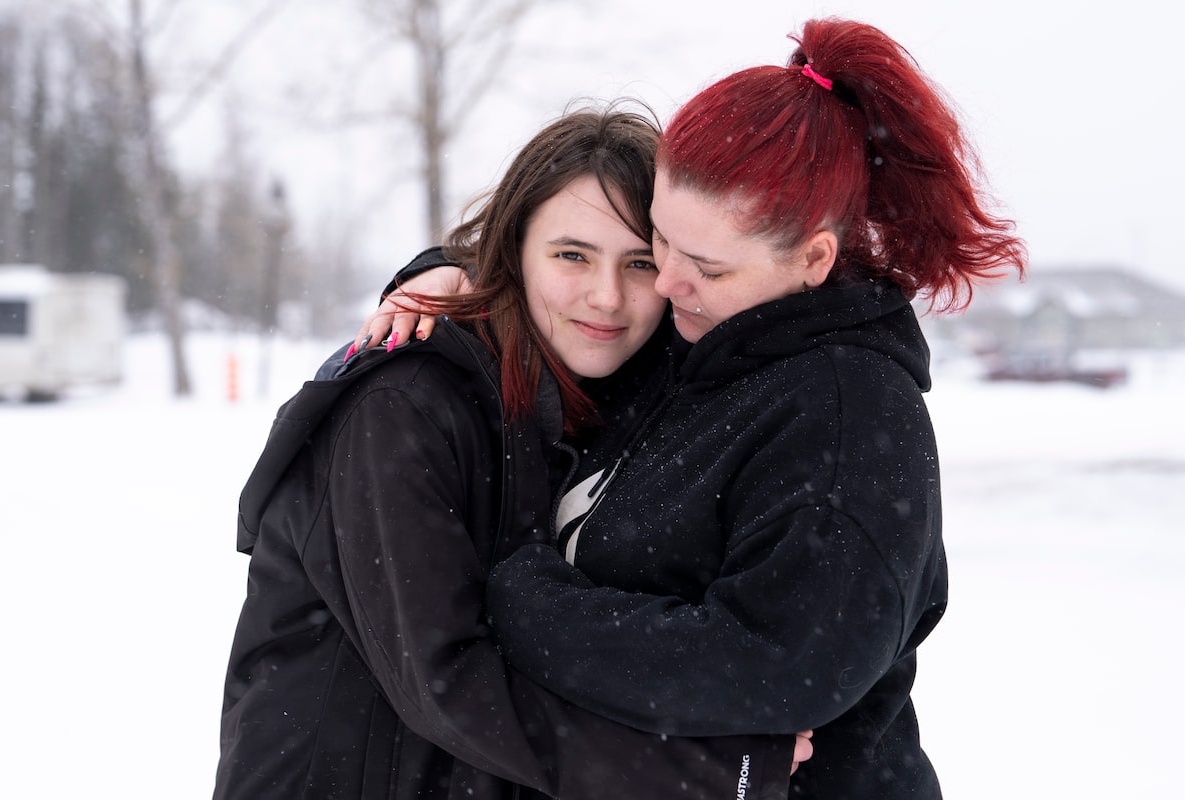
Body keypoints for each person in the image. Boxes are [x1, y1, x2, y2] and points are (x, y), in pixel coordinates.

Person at [356, 17, 1027, 800]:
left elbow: (779, 667)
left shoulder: (849, 419)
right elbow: (562, 254)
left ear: (813, 259)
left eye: (702, 264)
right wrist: (451, 271)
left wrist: (521, 599)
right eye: (660, 242)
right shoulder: (702, 339)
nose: (663, 282)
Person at [213, 106, 807, 800]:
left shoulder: (602, 400)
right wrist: (717, 768)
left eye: (640, 261)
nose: (607, 296)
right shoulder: (401, 410)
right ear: (514, 249)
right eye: (571, 255)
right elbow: (448, 682)